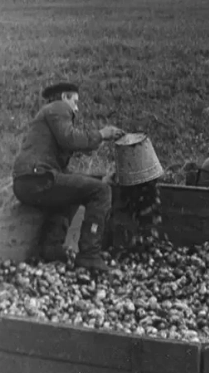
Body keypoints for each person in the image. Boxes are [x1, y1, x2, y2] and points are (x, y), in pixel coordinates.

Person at [12, 82, 125, 272]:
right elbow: (70, 138)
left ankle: (51, 248)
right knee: (102, 192)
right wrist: (101, 134)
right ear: (64, 97)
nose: (76, 107)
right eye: (75, 101)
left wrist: (97, 179)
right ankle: (89, 254)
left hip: (30, 181)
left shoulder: (45, 119)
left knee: (73, 192)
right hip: (38, 179)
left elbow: (66, 172)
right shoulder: (57, 108)